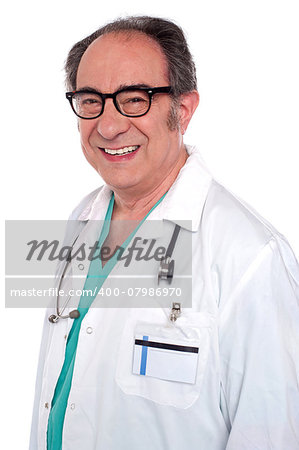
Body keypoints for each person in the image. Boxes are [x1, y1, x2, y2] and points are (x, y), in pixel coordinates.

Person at [29, 16, 299, 450]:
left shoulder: (249, 255)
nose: (109, 125)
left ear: (183, 110)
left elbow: (273, 436)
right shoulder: (80, 220)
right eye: (91, 100)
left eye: (134, 99)